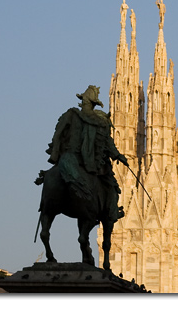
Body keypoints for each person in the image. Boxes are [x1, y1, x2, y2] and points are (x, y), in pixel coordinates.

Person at [46, 85, 129, 222]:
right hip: (89, 161)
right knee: (110, 184)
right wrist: (118, 155)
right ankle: (112, 212)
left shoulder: (71, 114)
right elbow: (107, 142)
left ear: (84, 100)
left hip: (68, 157)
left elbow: (58, 134)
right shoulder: (98, 120)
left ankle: (45, 217)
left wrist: (55, 153)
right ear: (94, 104)